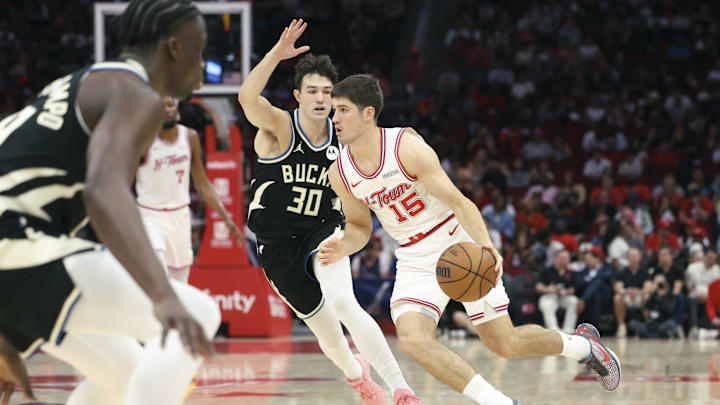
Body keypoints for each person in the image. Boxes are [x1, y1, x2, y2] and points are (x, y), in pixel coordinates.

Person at [320, 74, 621, 405]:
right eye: (334, 110)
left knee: (504, 343)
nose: (334, 118)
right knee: (411, 338)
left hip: (455, 240)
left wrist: (486, 245)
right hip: (413, 255)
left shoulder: (406, 147)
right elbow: (360, 227)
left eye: (342, 110)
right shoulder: (339, 173)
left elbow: (458, 201)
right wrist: (343, 245)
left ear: (368, 113)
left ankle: (584, 346)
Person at [0, 1, 220, 404]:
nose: (203, 63)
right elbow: (103, 191)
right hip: (17, 246)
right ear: (173, 47)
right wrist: (163, 295)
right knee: (198, 313)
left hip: (19, 255)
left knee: (122, 377)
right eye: (200, 48)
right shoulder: (136, 94)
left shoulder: (77, 85)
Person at [236, 19, 420, 405]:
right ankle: (357, 378)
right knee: (329, 337)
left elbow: (364, 206)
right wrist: (275, 54)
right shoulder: (279, 127)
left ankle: (402, 390)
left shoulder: (345, 140)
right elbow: (247, 99)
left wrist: (349, 239)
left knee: (342, 302)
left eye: (326, 92)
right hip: (277, 243)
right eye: (312, 91)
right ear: (298, 96)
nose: (320, 99)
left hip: (323, 229)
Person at [136, 96, 243, 283]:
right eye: (161, 107)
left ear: (176, 108)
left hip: (180, 217)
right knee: (157, 270)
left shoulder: (190, 137)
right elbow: (124, 181)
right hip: (149, 215)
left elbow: (202, 184)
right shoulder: (144, 140)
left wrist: (226, 218)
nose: (167, 110)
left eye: (170, 105)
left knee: (180, 281)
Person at [536, 250, 579, 334]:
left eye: (567, 258)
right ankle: (554, 330)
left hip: (564, 296)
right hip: (550, 296)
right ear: (556, 258)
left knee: (574, 301)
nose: (564, 260)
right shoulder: (547, 270)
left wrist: (567, 291)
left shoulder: (572, 272)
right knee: (546, 304)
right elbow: (538, 286)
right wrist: (548, 289)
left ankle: (568, 329)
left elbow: (573, 288)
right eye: (562, 258)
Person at [613, 247, 652, 337]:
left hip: (640, 297)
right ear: (627, 258)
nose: (633, 258)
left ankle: (647, 325)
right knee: (617, 298)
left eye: (635, 256)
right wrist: (624, 291)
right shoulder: (622, 271)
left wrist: (640, 292)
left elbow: (648, 286)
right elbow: (618, 286)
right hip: (627, 298)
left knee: (647, 297)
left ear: (639, 257)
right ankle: (621, 326)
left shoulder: (644, 271)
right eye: (631, 256)